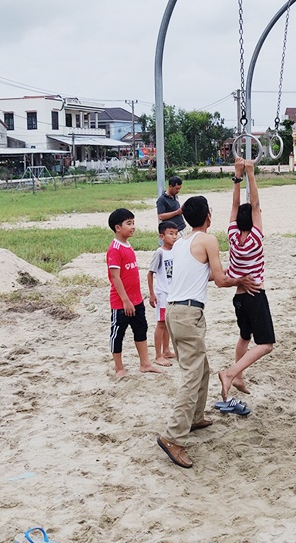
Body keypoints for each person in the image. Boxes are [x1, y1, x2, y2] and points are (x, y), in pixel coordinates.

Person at [157, 195, 259, 469]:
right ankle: (173, 437)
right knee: (192, 376)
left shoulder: (181, 243)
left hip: (175, 313)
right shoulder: (208, 240)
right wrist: (241, 279)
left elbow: (206, 274)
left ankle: (195, 417)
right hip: (189, 314)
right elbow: (221, 280)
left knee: (201, 368)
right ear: (208, 217)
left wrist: (231, 276)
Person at [218, 159, 273, 401]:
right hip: (254, 296)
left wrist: (237, 176)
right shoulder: (256, 239)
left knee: (244, 336)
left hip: (239, 297)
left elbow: (234, 205)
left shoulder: (232, 236)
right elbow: (256, 205)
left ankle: (238, 376)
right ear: (252, 220)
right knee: (267, 344)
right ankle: (231, 373)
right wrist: (251, 173)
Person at [106, 208, 161, 378]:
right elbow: (115, 277)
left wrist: (136, 299)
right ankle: (119, 368)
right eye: (128, 223)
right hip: (121, 303)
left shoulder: (128, 245)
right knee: (118, 334)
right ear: (117, 227)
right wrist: (125, 300)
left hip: (137, 300)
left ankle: (145, 363)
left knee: (141, 329)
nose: (133, 227)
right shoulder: (114, 249)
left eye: (133, 223)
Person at [147, 221, 178, 367]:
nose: (174, 237)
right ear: (162, 236)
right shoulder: (159, 253)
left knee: (167, 323)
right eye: (171, 234)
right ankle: (158, 355)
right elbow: (150, 273)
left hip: (172, 293)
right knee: (160, 324)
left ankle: (166, 350)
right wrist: (152, 294)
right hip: (162, 293)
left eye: (176, 233)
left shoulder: (176, 250)